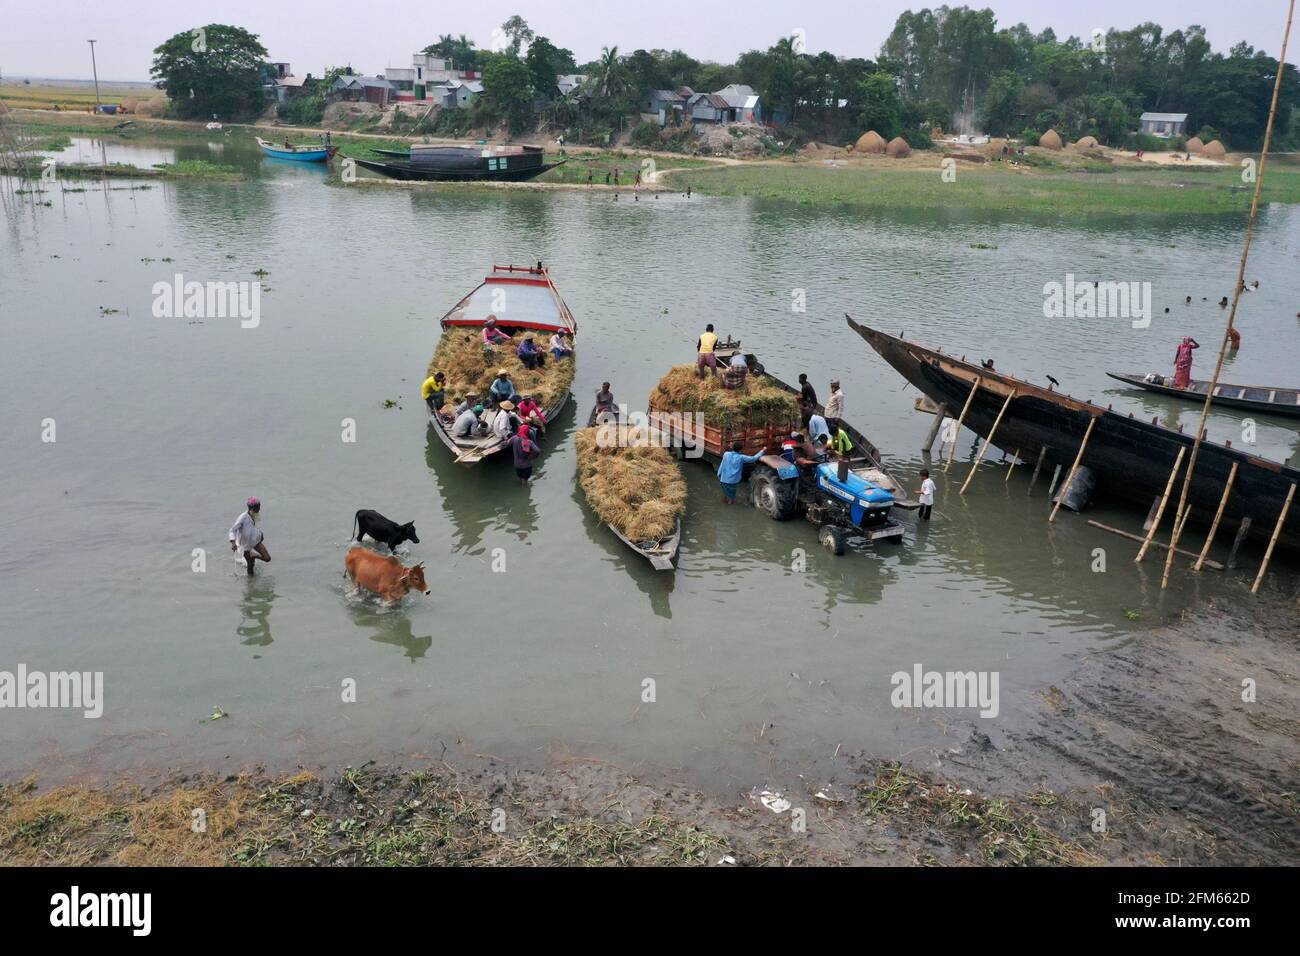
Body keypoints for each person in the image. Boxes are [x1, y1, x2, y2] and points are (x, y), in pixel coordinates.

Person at [229, 497, 270, 575]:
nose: (260, 508)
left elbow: (254, 527)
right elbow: (232, 530)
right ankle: (251, 585)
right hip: (246, 546)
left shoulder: (255, 514)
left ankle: (253, 555)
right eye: (258, 506)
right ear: (252, 507)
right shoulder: (243, 517)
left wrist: (260, 534)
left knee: (267, 558)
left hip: (256, 542)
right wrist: (233, 543)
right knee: (250, 568)